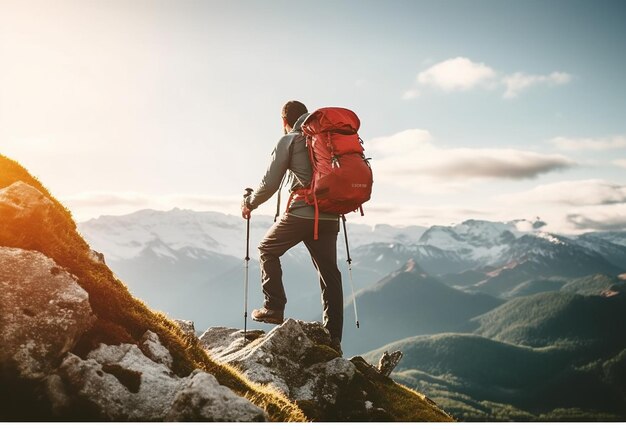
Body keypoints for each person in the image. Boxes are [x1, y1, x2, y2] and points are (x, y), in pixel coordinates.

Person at [241, 100, 343, 354]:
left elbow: (269, 183)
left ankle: (273, 307)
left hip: (303, 214)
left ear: (284, 122)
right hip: (330, 216)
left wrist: (249, 204)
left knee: (267, 248)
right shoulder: (327, 138)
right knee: (330, 275)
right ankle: (333, 339)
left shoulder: (290, 140)